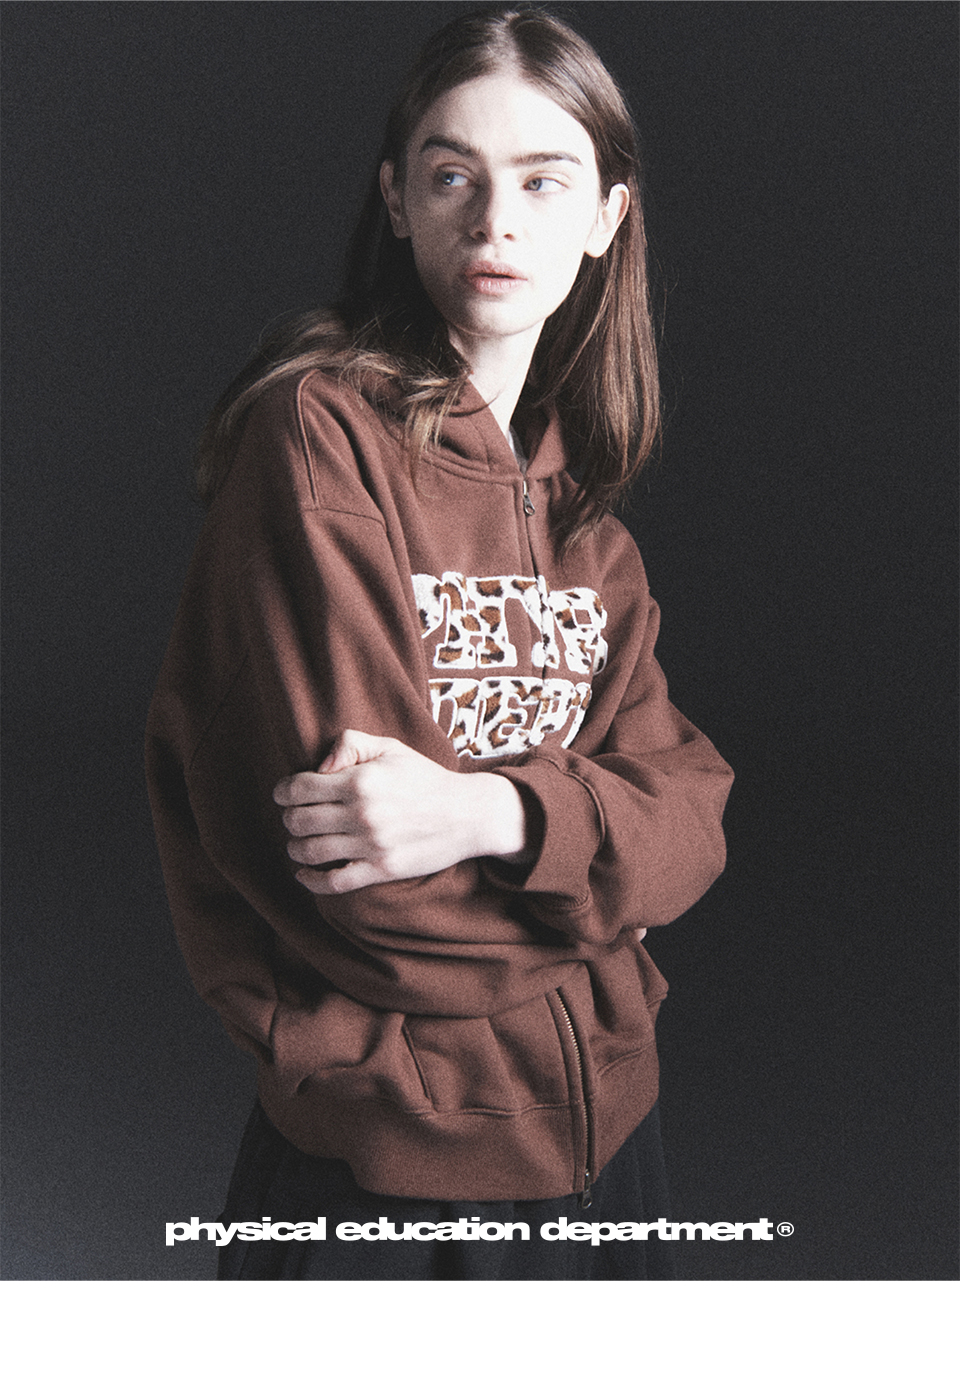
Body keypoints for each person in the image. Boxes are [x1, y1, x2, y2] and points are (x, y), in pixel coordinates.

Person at [146, 4, 733, 1281]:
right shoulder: (317, 440)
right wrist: (599, 896)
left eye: (543, 179)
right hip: (385, 1157)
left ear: (607, 218)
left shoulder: (586, 524)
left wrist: (489, 816)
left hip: (609, 1152)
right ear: (398, 200)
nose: (495, 220)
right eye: (453, 175)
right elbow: (369, 899)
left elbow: (696, 817)